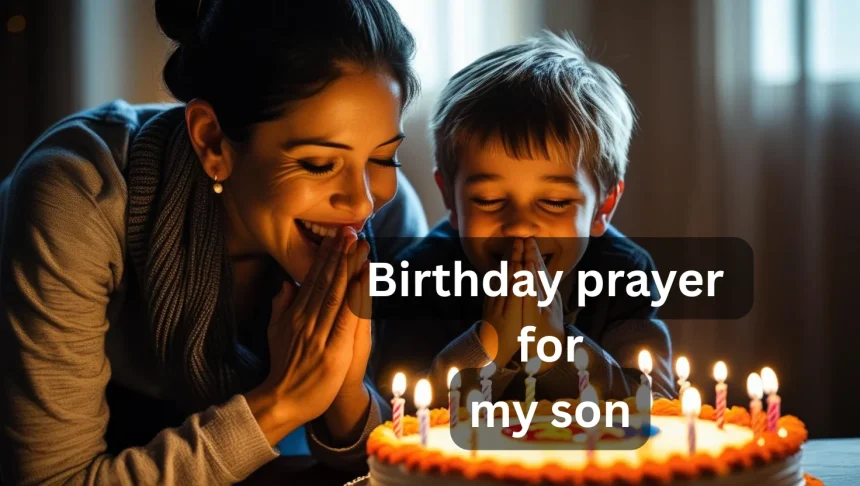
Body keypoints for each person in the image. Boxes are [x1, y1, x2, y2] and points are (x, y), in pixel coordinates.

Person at [0, 0, 427, 484]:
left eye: (384, 158)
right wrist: (284, 402)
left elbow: (401, 450)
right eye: (317, 164)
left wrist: (346, 389)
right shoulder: (80, 197)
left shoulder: (388, 217)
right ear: (211, 142)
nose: (362, 203)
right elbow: (53, 479)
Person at [374, 33, 674, 407]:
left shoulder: (623, 275)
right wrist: (485, 348)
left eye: (552, 202)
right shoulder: (419, 277)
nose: (519, 225)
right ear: (450, 196)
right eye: (489, 200)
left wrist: (558, 351)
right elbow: (398, 418)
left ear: (603, 206)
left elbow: (657, 409)